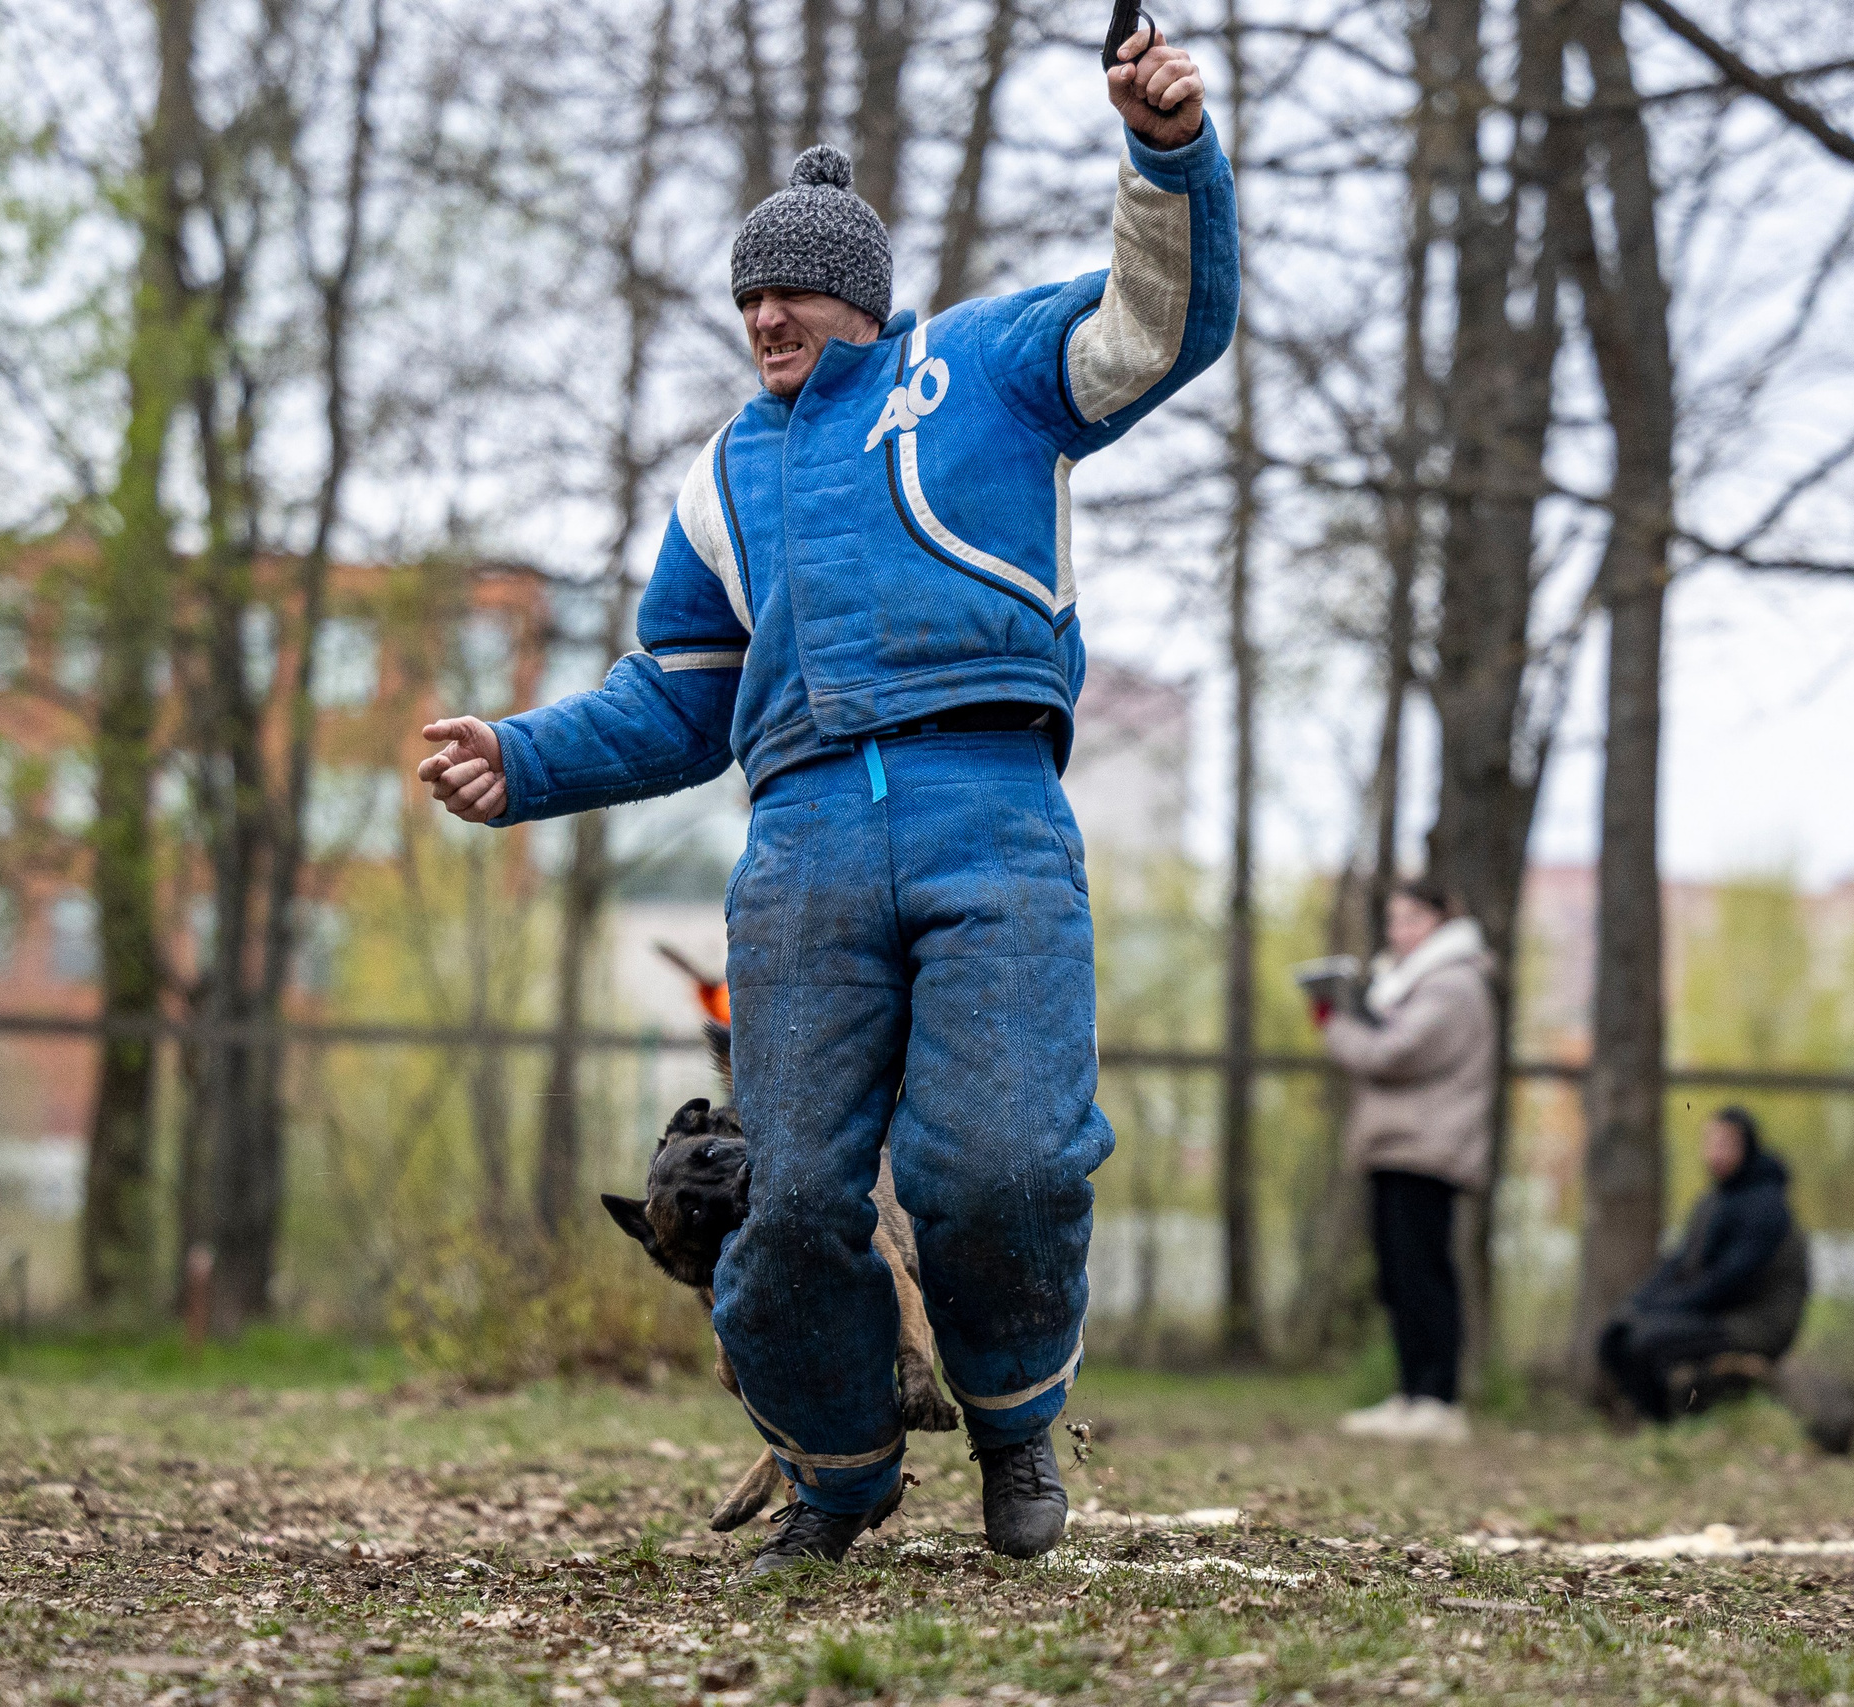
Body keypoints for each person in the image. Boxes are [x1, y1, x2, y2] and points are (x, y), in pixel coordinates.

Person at [418, 27, 1237, 1572]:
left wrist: (1167, 155)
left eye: (786, 289)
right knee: (787, 1203)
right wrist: (521, 760)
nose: (763, 316)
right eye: (745, 297)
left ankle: (1013, 1422)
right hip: (800, 845)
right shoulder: (723, 477)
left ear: (857, 293)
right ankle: (839, 1475)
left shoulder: (990, 372)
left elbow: (1160, 321)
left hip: (988, 809)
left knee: (1006, 1162)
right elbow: (676, 696)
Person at [1316, 880, 1497, 1445]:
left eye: (1413, 919)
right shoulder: (1414, 984)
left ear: (1445, 922)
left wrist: (1330, 1023)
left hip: (1428, 1148)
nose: (1399, 932)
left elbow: (1394, 1053)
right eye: (1394, 921)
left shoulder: (1452, 984)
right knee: (1399, 1279)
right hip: (1401, 1147)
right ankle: (1413, 1394)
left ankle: (1439, 1401)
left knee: (1423, 1277)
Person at [1598, 1106, 1808, 1422]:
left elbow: (1730, 1281)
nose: (1715, 1152)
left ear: (1747, 1146)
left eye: (1726, 1143)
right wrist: (1639, 1303)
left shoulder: (1766, 1206)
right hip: (1714, 1314)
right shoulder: (1713, 1202)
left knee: (1648, 1340)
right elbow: (1678, 1263)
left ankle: (1671, 1422)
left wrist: (1664, 1310)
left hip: (1755, 1323)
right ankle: (1656, 1422)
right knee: (1615, 1337)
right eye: (1711, 1142)